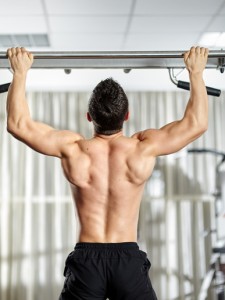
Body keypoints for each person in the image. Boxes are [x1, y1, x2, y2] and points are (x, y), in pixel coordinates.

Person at [6, 46, 208, 300]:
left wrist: (20, 73)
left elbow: (17, 124)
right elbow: (196, 123)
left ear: (89, 116)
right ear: (127, 115)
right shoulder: (142, 149)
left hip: (87, 261)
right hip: (127, 261)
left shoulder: (74, 149)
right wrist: (196, 73)